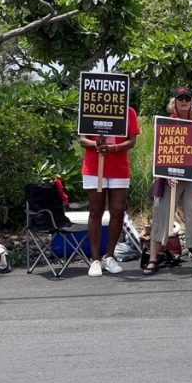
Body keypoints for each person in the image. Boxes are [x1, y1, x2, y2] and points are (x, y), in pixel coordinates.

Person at [144, 87, 192, 275]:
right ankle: (153, 258)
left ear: (191, 102)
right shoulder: (167, 123)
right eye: (180, 99)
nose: (184, 102)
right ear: (174, 102)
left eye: (187, 99)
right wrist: (167, 172)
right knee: (161, 214)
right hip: (170, 177)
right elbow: (162, 151)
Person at [79, 104, 140, 277]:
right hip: (93, 167)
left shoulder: (129, 111)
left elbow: (132, 141)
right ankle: (95, 260)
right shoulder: (90, 108)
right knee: (95, 211)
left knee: (118, 211)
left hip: (119, 168)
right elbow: (83, 140)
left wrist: (114, 148)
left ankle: (109, 256)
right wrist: (95, 143)